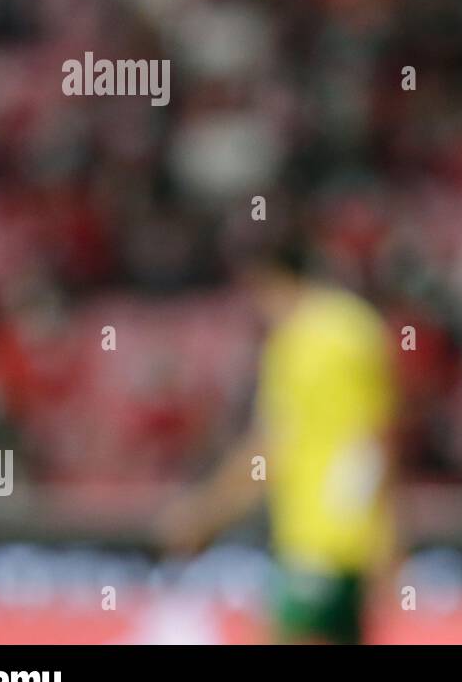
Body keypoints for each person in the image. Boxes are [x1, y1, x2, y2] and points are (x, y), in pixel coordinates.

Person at [157, 240, 399, 644]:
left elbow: (269, 448)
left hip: (313, 538)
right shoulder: (361, 327)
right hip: (358, 538)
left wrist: (204, 513)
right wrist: (389, 535)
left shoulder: (296, 341)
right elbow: (381, 440)